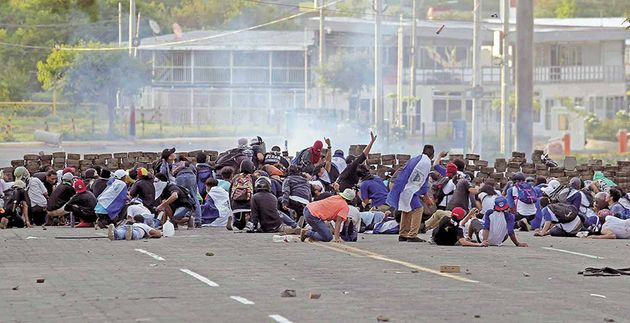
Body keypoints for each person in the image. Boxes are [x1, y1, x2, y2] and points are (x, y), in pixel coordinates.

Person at [386, 144, 434, 242]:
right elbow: (422, 179)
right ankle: (412, 235)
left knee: (406, 208)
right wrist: (426, 196)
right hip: (409, 187)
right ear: (432, 155)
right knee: (418, 209)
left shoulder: (416, 158)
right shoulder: (426, 162)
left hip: (401, 184)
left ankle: (403, 234)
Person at [228, 159, 257, 230]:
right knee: (250, 224)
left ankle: (235, 224)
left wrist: (232, 206)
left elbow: (230, 193)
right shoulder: (253, 178)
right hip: (249, 208)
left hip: (236, 207)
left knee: (238, 224)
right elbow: (256, 193)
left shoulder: (235, 178)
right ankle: (249, 224)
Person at [173, 156, 201, 227]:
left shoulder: (176, 165)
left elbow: (173, 174)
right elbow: (195, 173)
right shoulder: (190, 165)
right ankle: (198, 221)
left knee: (179, 198)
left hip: (180, 178)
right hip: (191, 177)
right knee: (195, 198)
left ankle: (177, 218)